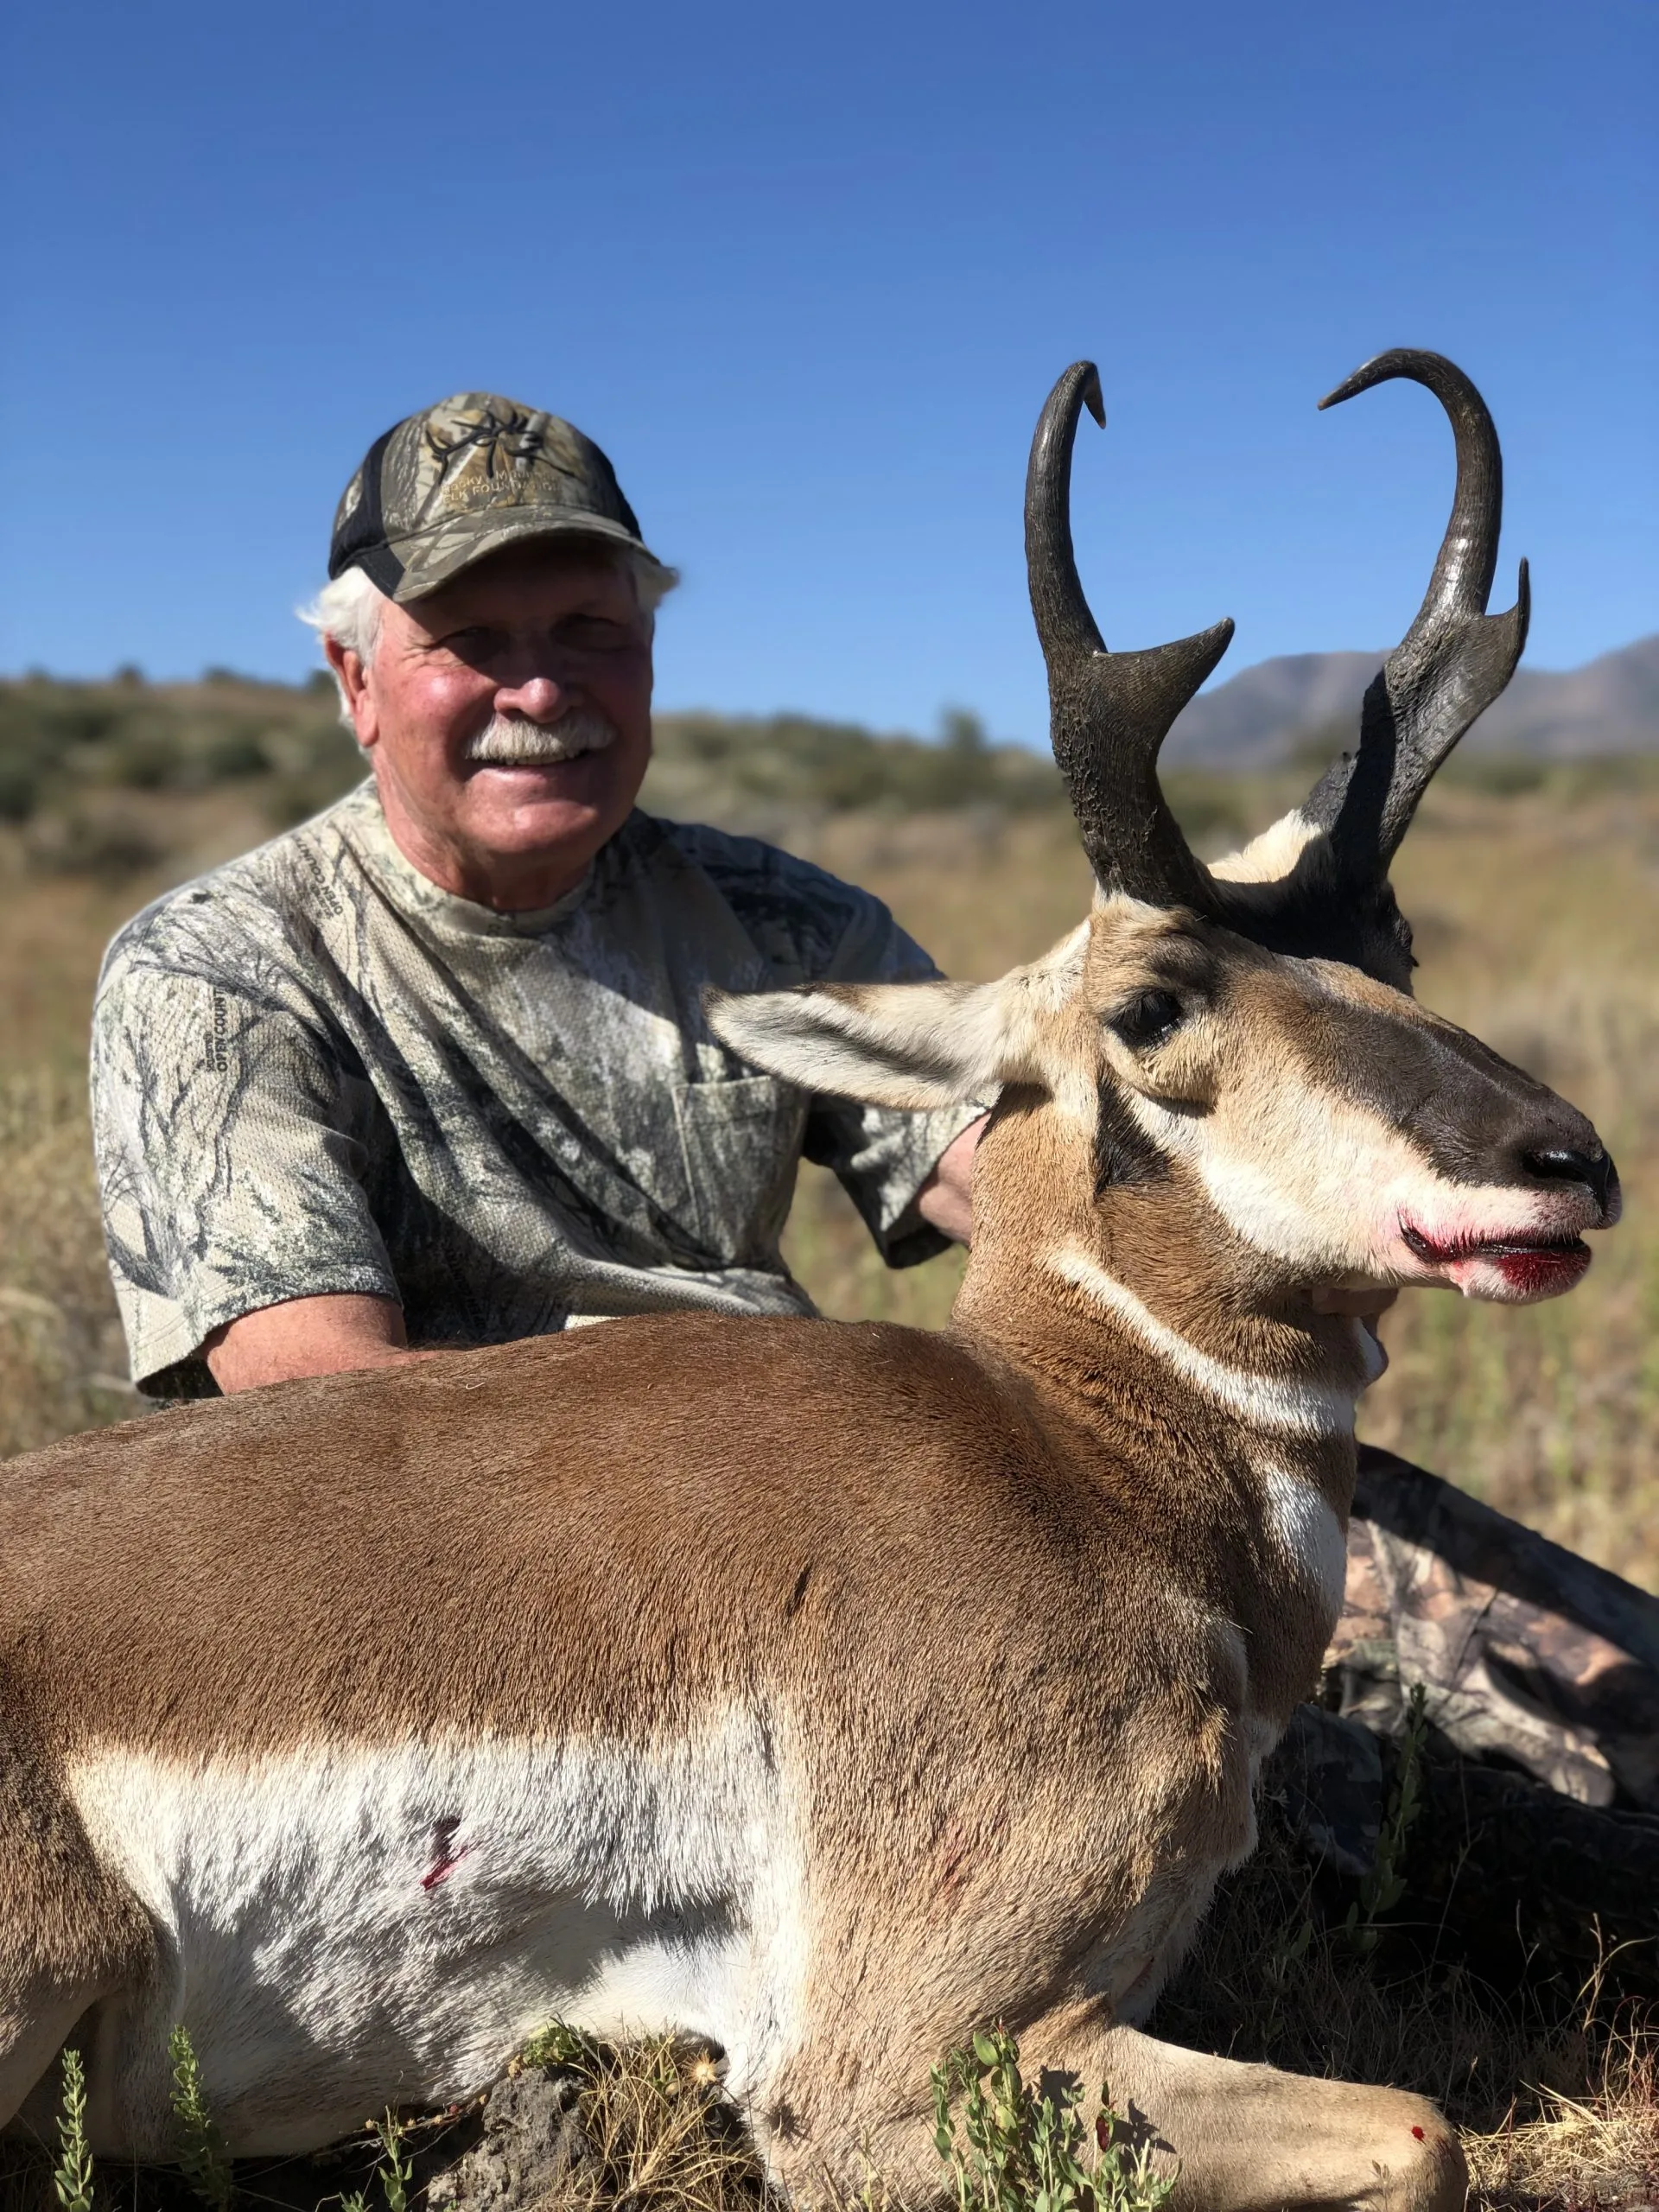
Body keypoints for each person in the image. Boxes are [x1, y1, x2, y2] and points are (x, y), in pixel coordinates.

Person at [92, 392, 983, 1398]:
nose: (543, 691)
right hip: (463, 1488)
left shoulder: (788, 924)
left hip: (791, 1450)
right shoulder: (222, 970)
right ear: (357, 682)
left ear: (649, 649)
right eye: (470, 637)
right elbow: (321, 1398)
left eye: (587, 628)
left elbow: (998, 1175)